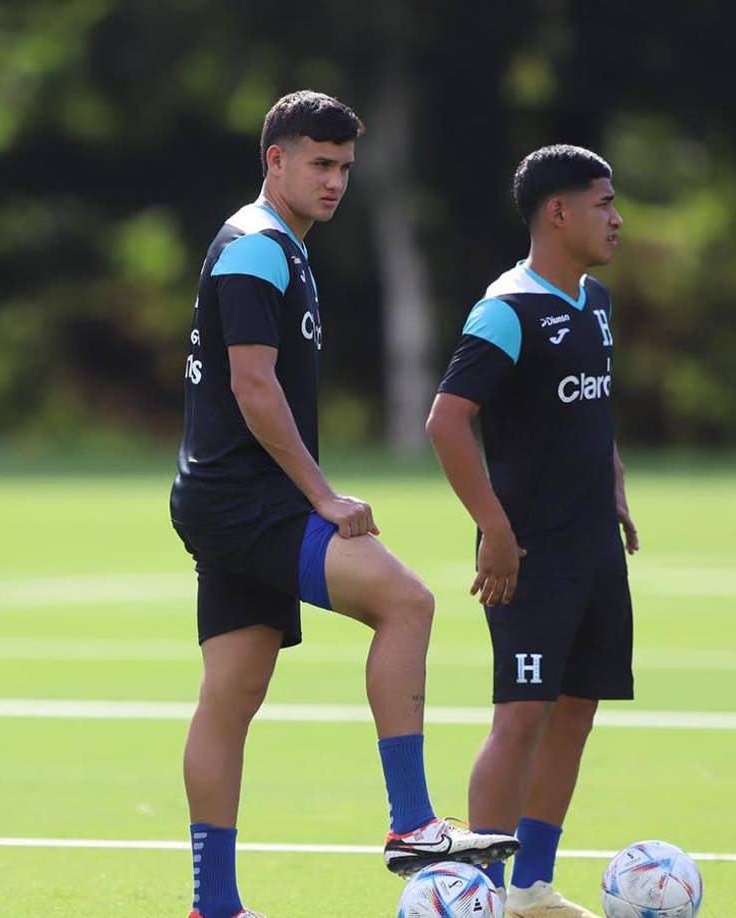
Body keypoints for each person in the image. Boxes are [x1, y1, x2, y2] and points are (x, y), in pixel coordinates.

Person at [169, 90, 517, 918]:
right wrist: (321, 495)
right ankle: (411, 824)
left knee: (232, 693)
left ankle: (213, 906)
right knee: (407, 600)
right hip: (243, 498)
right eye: (319, 164)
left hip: (218, 496)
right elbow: (253, 387)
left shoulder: (277, 248)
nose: (334, 181)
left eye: (345, 168)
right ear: (275, 160)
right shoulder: (258, 248)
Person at [426, 144, 638, 918]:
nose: (616, 219)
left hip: (594, 550)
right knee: (519, 719)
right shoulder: (507, 309)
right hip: (530, 555)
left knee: (576, 709)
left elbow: (592, 408)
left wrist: (614, 487)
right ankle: (475, 893)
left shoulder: (597, 303)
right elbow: (447, 422)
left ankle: (530, 888)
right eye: (603, 203)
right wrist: (495, 531)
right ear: (558, 212)